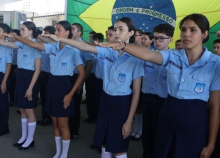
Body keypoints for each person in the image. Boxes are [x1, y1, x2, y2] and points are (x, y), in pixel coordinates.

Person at [99, 13, 220, 158]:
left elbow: (214, 106)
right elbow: (148, 55)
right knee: (161, 152)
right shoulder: (173, 55)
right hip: (169, 113)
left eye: (193, 30)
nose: (186, 34)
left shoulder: (215, 63)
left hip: (194, 121)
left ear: (204, 34)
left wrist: (211, 143)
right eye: (183, 29)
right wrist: (123, 46)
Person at [46, 17, 144, 158]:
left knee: (119, 147)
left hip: (121, 103)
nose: (117, 32)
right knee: (104, 143)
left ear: (131, 33)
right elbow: (85, 47)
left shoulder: (136, 57)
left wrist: (129, 121)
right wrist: (60, 39)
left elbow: (136, 92)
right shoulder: (108, 51)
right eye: (115, 29)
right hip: (105, 100)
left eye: (121, 29)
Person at [4, 20, 85, 158]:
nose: (56, 32)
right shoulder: (52, 47)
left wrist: (71, 94)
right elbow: (34, 44)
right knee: (54, 122)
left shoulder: (74, 50)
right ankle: (58, 152)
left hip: (64, 85)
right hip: (52, 83)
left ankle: (64, 154)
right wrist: (18, 37)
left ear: (67, 32)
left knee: (63, 124)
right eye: (56, 29)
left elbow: (82, 73)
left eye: (59, 30)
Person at [140, 24, 174, 158]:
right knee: (147, 133)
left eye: (161, 38)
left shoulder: (175, 58)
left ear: (170, 39)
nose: (157, 41)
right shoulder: (149, 56)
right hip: (147, 98)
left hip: (163, 102)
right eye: (155, 38)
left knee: (160, 135)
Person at [69, 23, 93, 139]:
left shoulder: (83, 45)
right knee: (66, 103)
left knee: (74, 105)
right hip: (66, 76)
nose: (71, 31)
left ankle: (74, 130)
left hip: (76, 77)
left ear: (79, 33)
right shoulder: (67, 43)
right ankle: (66, 127)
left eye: (73, 29)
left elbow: (89, 64)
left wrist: (82, 81)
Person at [37, 25, 55, 126]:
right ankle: (44, 115)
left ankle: (49, 116)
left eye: (46, 33)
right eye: (44, 33)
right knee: (43, 97)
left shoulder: (54, 44)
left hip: (50, 75)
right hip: (43, 73)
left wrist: (40, 36)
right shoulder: (42, 44)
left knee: (49, 98)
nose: (44, 35)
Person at [8, 29, 20, 107]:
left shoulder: (19, 44)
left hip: (16, 66)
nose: (12, 36)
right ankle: (12, 100)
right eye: (11, 34)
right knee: (10, 84)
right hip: (10, 66)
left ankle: (16, 101)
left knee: (16, 85)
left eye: (14, 35)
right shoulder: (9, 44)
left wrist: (18, 67)